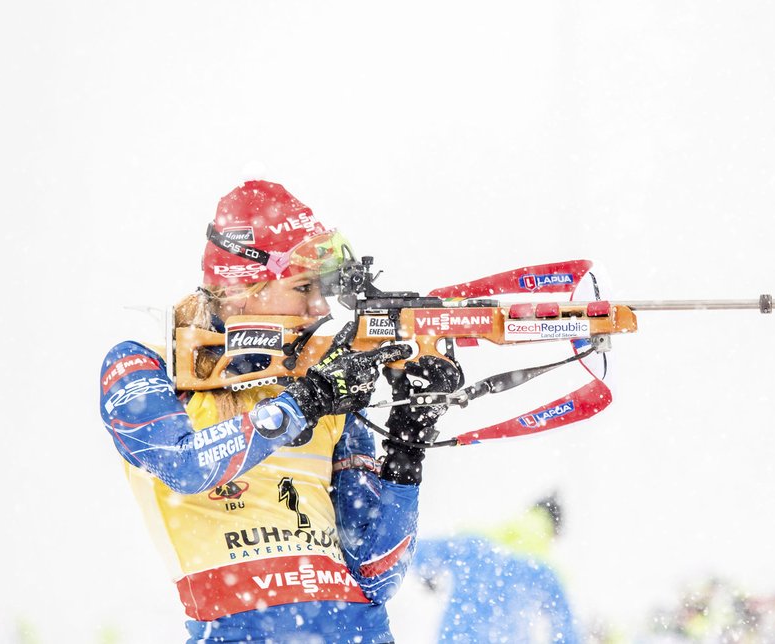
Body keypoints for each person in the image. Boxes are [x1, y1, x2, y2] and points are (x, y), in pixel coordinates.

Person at [99, 180, 459, 643]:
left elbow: (375, 573)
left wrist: (408, 442)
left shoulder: (322, 383)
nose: (320, 307)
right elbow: (185, 466)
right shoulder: (145, 365)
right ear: (238, 288)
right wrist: (304, 402)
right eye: (303, 286)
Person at [412, 494, 580, 643]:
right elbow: (566, 629)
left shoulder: (472, 544)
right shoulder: (545, 572)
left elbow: (414, 550)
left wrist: (427, 576)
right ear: (553, 533)